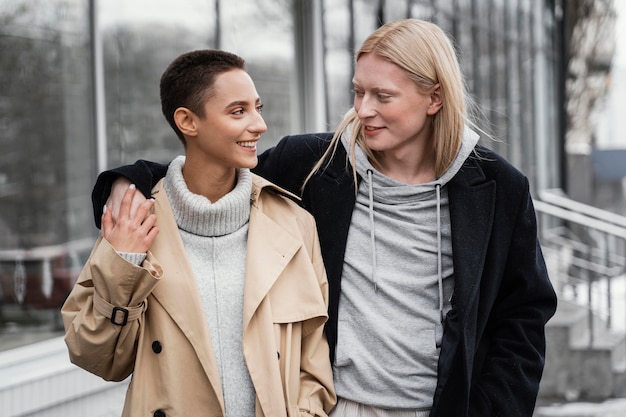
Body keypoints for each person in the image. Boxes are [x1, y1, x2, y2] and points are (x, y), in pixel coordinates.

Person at [91, 19, 557, 417]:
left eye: (383, 96)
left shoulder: (497, 189)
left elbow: (522, 315)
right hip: (339, 406)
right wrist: (124, 183)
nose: (363, 110)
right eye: (358, 91)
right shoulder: (315, 163)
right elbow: (210, 172)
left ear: (434, 98)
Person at [62, 49, 336, 417]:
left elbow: (313, 364)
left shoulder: (293, 223)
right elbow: (96, 357)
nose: (259, 124)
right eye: (238, 111)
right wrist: (125, 264)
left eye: (258, 107)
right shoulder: (134, 222)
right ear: (188, 122)